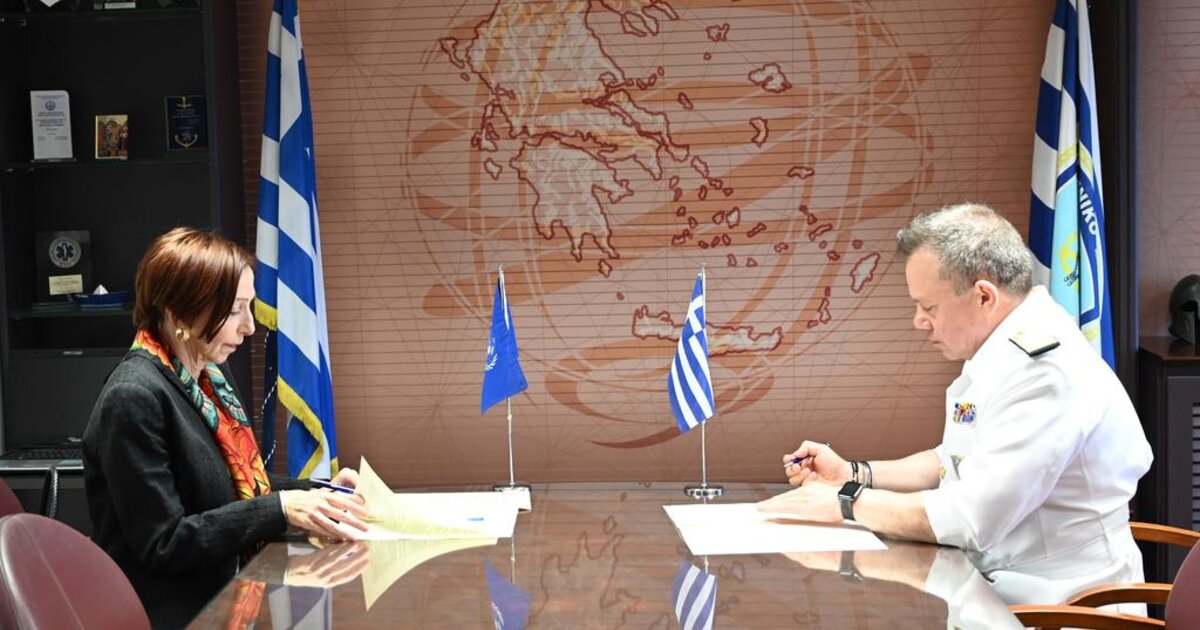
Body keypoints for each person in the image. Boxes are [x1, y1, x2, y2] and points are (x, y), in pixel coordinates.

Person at [759, 202, 1153, 609]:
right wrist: (855, 474)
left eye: (929, 307)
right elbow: (953, 460)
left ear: (984, 296)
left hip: (1063, 607)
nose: (918, 321)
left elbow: (972, 517)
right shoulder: (1003, 346)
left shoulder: (1044, 373)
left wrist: (846, 503)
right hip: (1002, 589)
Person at [82, 227, 370, 629]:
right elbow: (164, 544)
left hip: (229, 594)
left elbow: (230, 485)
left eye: (249, 308)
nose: (249, 327)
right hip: (174, 615)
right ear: (179, 312)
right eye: (235, 311)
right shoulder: (133, 397)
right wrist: (281, 509)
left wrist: (322, 493)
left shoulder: (209, 377)